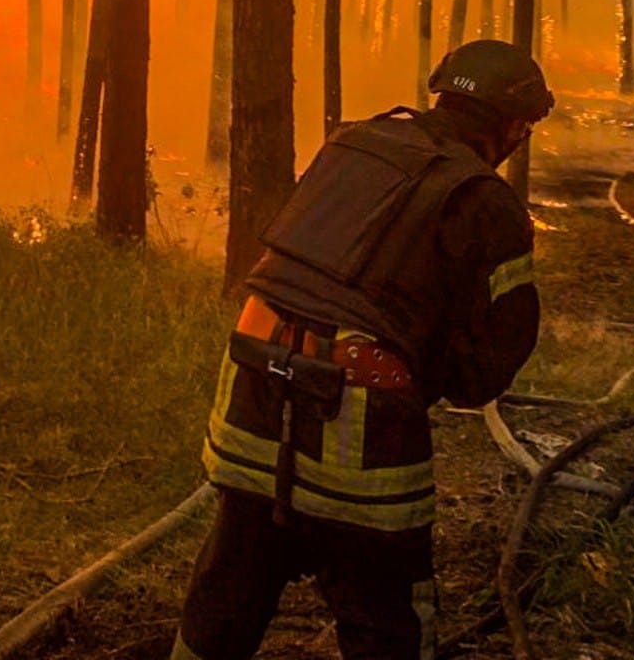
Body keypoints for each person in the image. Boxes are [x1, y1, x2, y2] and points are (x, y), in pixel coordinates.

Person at [171, 39, 554, 660]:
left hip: (248, 388)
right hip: (360, 434)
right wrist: (420, 367)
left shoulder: (353, 143)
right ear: (512, 126)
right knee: (387, 608)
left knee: (232, 581)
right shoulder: (486, 202)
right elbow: (487, 368)